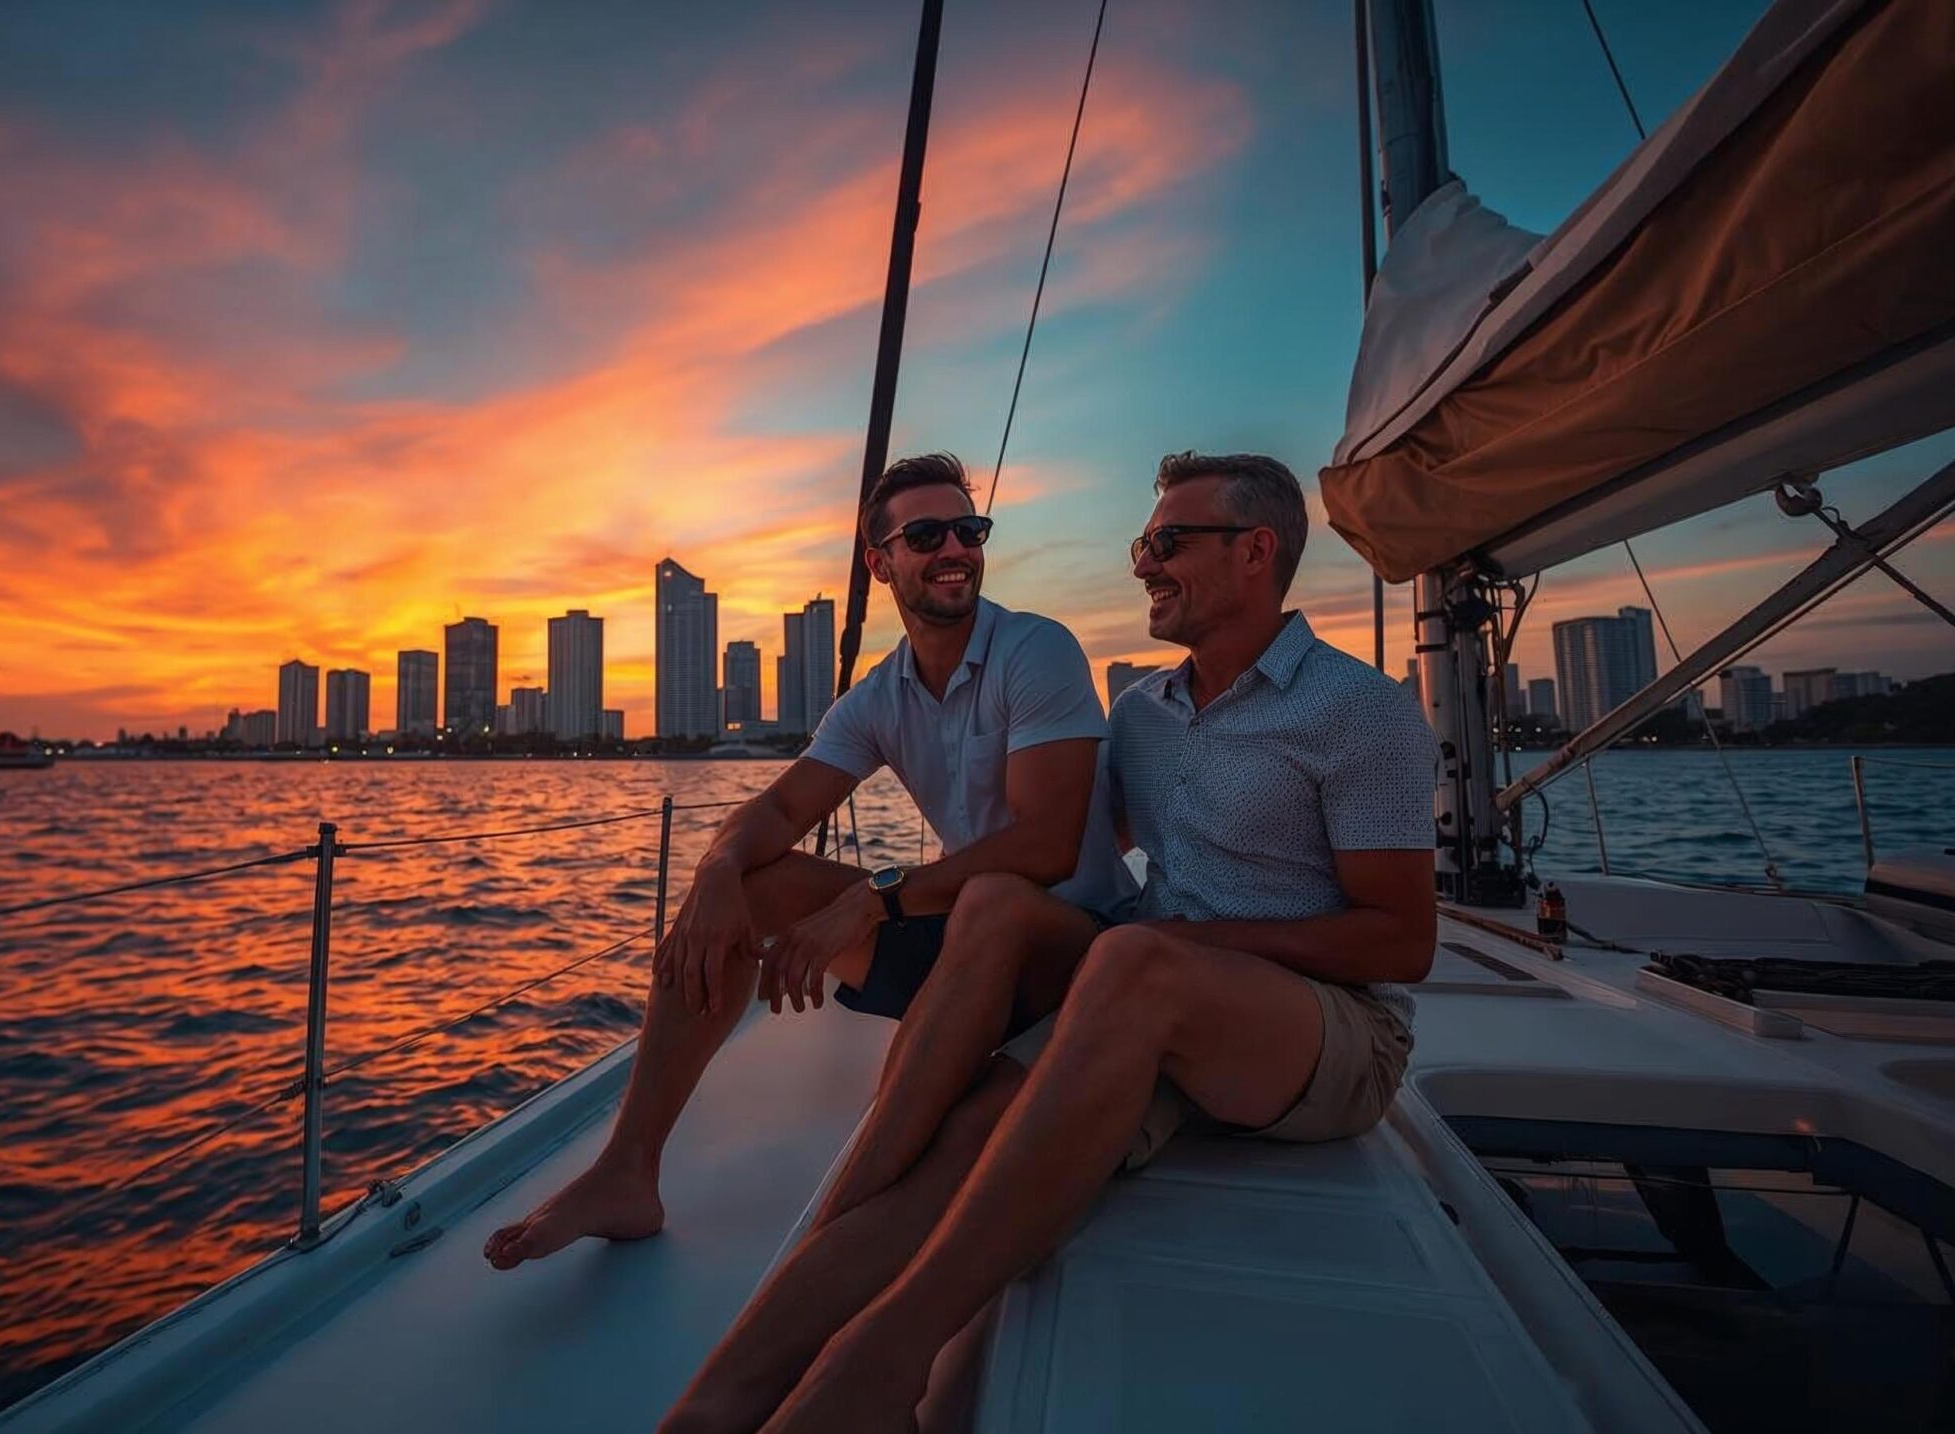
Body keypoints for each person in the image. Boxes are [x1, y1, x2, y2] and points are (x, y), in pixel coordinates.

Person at [662, 452, 1439, 1432]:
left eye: (1167, 542)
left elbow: (1401, 944)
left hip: (1332, 1036)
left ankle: (882, 1361)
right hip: (1149, 1003)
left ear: (1255, 551)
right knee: (969, 1135)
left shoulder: (1358, 710)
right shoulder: (1143, 715)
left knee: (1132, 957)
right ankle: (715, 1400)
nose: (1142, 563)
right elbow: (1066, 850)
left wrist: (1182, 942)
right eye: (1142, 544)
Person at [483, 453, 1135, 1271]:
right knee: (755, 887)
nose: (954, 549)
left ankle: (847, 1236)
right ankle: (627, 1171)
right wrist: (715, 874)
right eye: (926, 535)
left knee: (989, 901)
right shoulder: (880, 697)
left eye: (969, 531)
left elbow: (1048, 845)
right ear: (879, 563)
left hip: (1070, 950)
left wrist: (869, 902)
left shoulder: (1034, 651)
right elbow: (782, 811)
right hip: (963, 939)